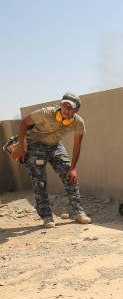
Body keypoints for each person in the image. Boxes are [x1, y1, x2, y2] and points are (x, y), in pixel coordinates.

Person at [11, 93, 92, 228]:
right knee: (40, 181)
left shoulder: (78, 122)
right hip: (36, 144)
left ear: (76, 109)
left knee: (70, 175)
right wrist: (20, 146)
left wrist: (73, 168)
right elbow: (24, 122)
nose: (66, 109)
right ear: (60, 105)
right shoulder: (45, 113)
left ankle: (79, 212)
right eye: (64, 105)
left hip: (55, 145)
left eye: (70, 107)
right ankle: (47, 216)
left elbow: (77, 145)